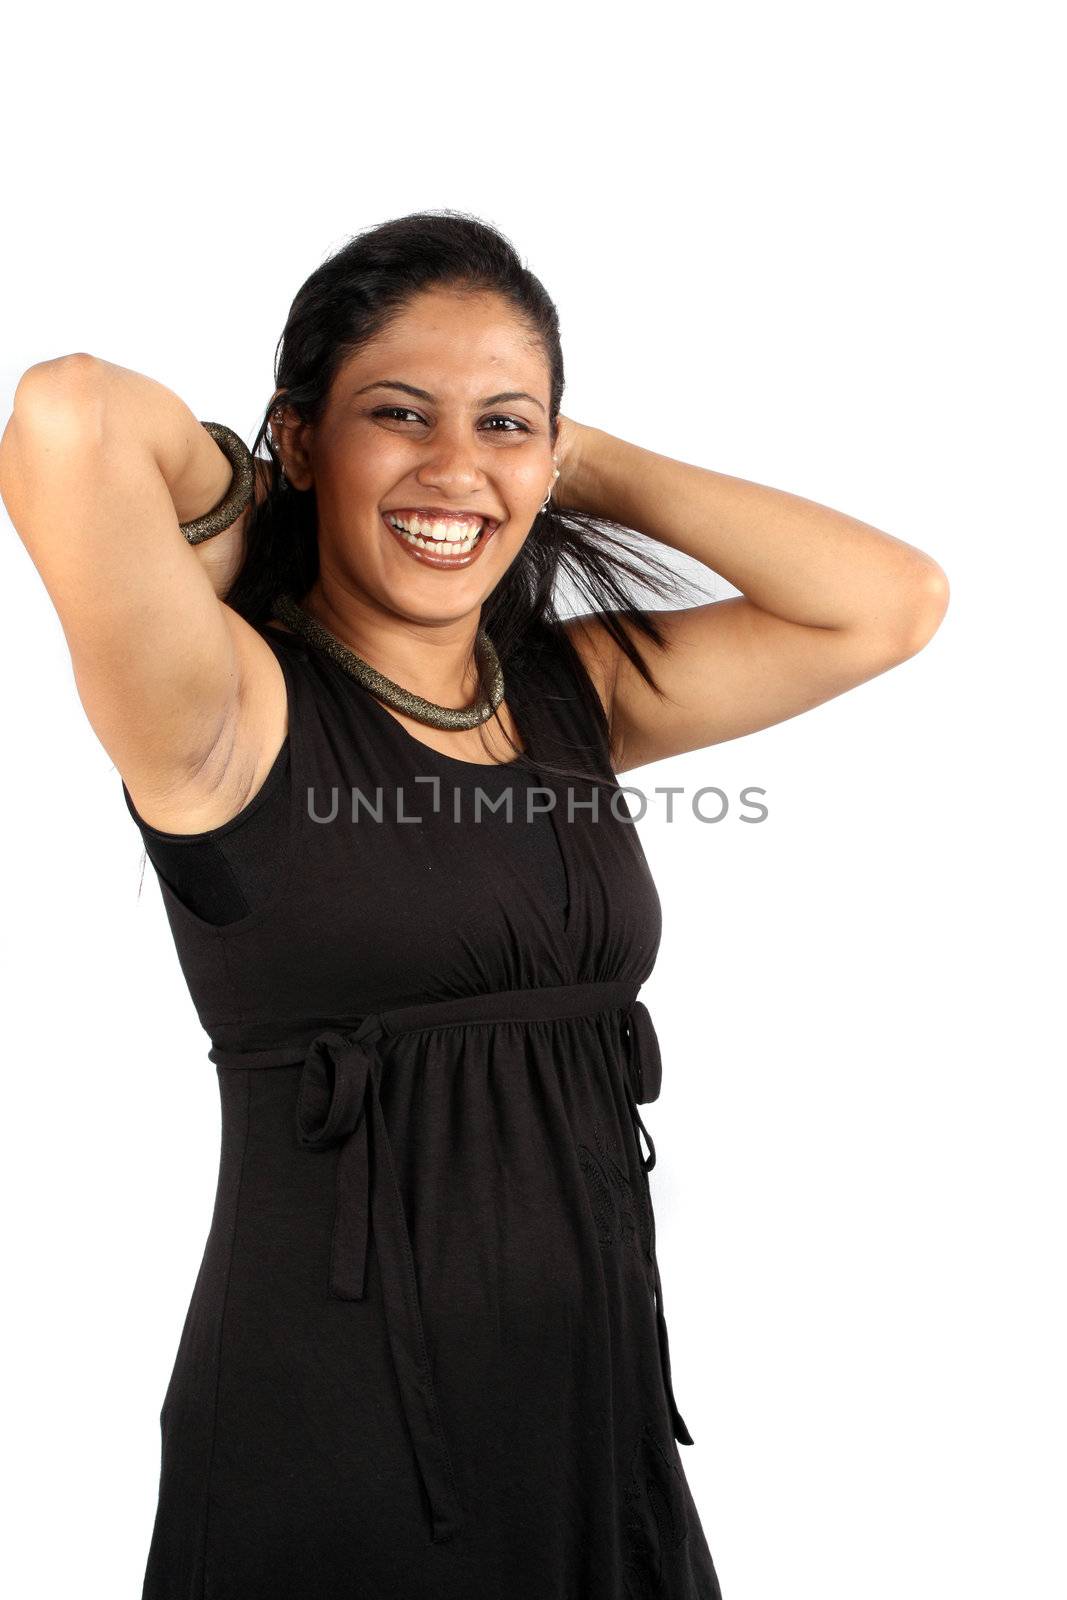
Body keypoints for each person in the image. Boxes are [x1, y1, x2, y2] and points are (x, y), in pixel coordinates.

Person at [0, 210, 949, 1600]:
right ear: (304, 435)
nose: (457, 469)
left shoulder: (571, 696)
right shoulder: (224, 713)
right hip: (332, 1443)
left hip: (593, 1416)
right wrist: (278, 488)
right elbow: (69, 416)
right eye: (399, 415)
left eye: (505, 424)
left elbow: (892, 603)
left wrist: (566, 459)